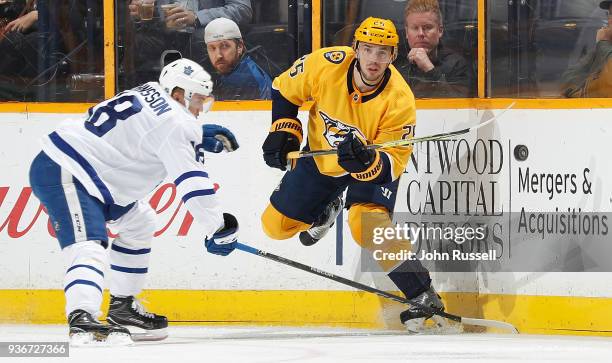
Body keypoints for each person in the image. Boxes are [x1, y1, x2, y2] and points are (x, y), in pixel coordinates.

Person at [28, 58, 241, 345]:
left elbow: (146, 130)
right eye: (199, 99)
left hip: (92, 175)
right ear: (179, 94)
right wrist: (218, 228)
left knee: (140, 222)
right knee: (89, 245)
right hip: (69, 171)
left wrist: (197, 137)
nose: (202, 108)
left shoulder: (151, 90)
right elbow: (193, 184)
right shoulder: (177, 124)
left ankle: (122, 307)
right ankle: (82, 318)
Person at [257, 17, 444, 331]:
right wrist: (284, 128)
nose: (374, 59)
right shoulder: (325, 65)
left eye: (383, 52)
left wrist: (366, 164)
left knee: (365, 223)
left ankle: (422, 293)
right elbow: (283, 89)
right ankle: (325, 209)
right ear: (355, 48)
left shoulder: (400, 99)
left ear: (393, 55)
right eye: (368, 49)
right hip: (322, 160)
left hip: (368, 170)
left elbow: (391, 165)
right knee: (274, 226)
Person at [394, 0, 473, 98]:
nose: (421, 34)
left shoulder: (456, 64)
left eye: (427, 27)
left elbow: (458, 107)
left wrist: (429, 70)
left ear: (440, 31)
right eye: (415, 28)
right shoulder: (396, 66)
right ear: (406, 32)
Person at [204, 17, 271, 100]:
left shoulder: (248, 81)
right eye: (212, 48)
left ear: (239, 47)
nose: (218, 55)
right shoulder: (233, 70)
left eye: (224, 46)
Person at [561, 0, 612, 98]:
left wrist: (602, 43)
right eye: (609, 14)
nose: (609, 20)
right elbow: (567, 78)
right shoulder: (603, 48)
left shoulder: (604, 46)